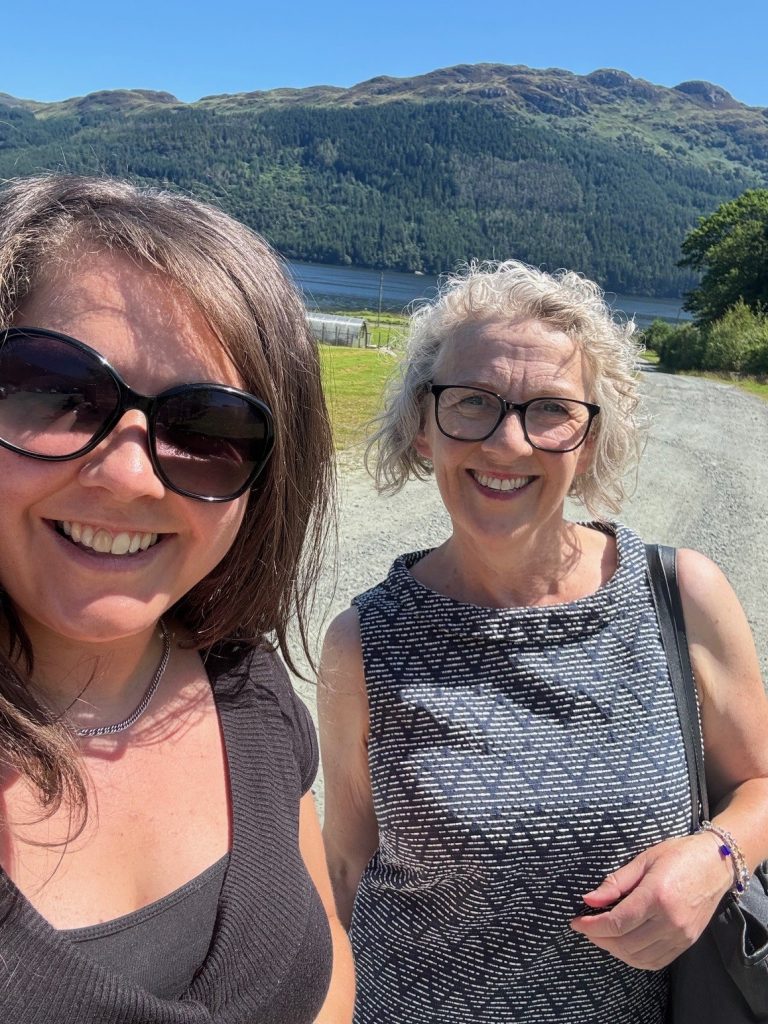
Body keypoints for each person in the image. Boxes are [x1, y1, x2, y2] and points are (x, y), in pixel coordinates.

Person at [318, 260, 768, 1024]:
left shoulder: (681, 596)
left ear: (590, 441)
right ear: (422, 428)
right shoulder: (365, 640)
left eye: (551, 411)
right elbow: (347, 866)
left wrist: (714, 857)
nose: (508, 442)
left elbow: (762, 788)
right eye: (472, 403)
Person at [0, 174, 354, 1023]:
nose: (126, 476)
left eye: (207, 430)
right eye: (55, 389)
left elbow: (327, 954)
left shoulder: (252, 692)